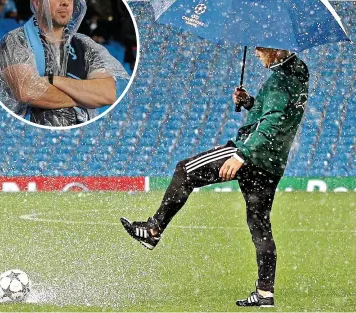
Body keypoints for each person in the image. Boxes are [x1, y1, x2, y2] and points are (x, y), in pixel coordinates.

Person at [121, 47, 309, 307]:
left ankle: (153, 229)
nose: (255, 52)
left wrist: (241, 155)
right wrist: (250, 103)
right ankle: (265, 293)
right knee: (260, 225)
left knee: (184, 171)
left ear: (276, 49)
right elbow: (275, 113)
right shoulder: (297, 73)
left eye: (260, 47)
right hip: (272, 163)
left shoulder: (279, 80)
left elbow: (272, 122)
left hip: (251, 153)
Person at [0, 0, 130, 127]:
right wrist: (87, 98)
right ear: (36, 3)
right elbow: (28, 91)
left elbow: (108, 94)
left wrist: (53, 80)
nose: (65, 3)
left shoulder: (86, 46)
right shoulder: (16, 41)